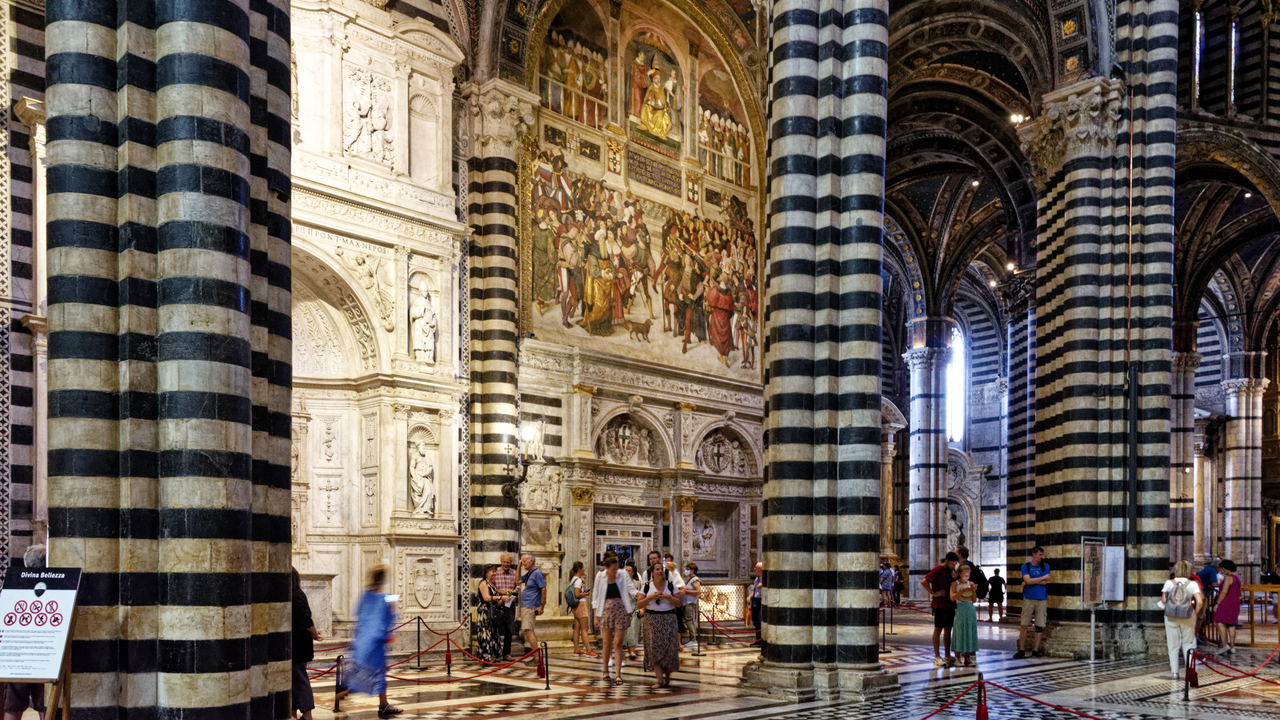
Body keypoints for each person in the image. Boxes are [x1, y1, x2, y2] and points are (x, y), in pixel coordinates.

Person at [335, 566, 400, 717]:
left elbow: (359, 615)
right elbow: (388, 619)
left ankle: (383, 703)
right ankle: (350, 688)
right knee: (375, 673)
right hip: (375, 644)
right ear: (383, 579)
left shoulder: (365, 596)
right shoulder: (385, 598)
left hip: (361, 641)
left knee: (372, 672)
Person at [5, 545, 47, 720]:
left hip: (18, 651)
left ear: (26, 563)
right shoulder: (56, 587)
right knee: (46, 702)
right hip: (46, 651)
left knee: (13, 704)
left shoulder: (13, 588)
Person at [593, 555, 638, 685]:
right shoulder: (600, 577)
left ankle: (618, 674)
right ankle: (606, 670)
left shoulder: (623, 575)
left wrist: (641, 594)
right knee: (607, 643)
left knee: (618, 642)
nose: (615, 571)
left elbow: (631, 589)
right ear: (606, 568)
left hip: (621, 609)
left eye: (616, 568)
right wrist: (596, 615)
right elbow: (595, 596)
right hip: (606, 610)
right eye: (613, 569)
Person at [638, 563, 681, 689]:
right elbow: (639, 603)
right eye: (657, 569)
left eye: (661, 569)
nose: (660, 571)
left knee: (669, 650)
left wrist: (668, 596)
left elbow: (679, 603)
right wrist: (651, 596)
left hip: (669, 619)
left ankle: (667, 676)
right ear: (652, 572)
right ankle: (660, 680)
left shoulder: (671, 586)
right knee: (654, 650)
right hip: (652, 619)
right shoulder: (646, 587)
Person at [1160, 560, 1204, 679]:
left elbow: (1164, 601)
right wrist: (1194, 612)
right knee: (1188, 644)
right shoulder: (1193, 584)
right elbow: (1199, 601)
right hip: (1187, 616)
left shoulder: (1169, 583)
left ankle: (1175, 672)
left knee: (1173, 645)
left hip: (1171, 616)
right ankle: (1190, 671)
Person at [292, 569, 322, 720]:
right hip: (297, 644)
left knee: (300, 680)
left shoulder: (295, 595)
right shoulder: (296, 593)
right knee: (293, 680)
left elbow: (305, 618)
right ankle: (292, 713)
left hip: (298, 645)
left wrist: (314, 632)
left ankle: (307, 714)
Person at [921, 552, 959, 667]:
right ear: (946, 561)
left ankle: (947, 655)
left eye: (955, 564)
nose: (954, 566)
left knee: (948, 630)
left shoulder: (950, 572)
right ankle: (937, 657)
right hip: (939, 605)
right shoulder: (937, 570)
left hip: (950, 604)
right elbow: (924, 582)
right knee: (938, 630)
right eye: (952, 564)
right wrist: (934, 593)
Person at [1013, 546, 1050, 659]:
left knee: (1039, 625)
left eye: (1042, 555)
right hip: (1028, 598)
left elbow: (1046, 581)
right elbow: (1028, 580)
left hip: (1041, 599)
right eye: (1040, 554)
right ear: (1034, 554)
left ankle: (1035, 650)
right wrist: (1040, 578)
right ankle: (1022, 649)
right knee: (1024, 624)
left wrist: (1030, 582)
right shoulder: (1026, 566)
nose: (1042, 557)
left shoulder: (1045, 566)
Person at [491, 553, 520, 660]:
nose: (506, 564)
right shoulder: (496, 572)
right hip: (498, 603)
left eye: (508, 562)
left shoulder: (514, 573)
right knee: (496, 628)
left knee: (509, 629)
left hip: (510, 604)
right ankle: (496, 652)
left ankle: (506, 653)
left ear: (511, 563)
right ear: (501, 561)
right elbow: (492, 588)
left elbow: (518, 586)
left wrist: (514, 592)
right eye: (504, 562)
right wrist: (503, 593)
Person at [950, 563, 979, 667]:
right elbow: (952, 597)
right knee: (960, 631)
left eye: (968, 574)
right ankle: (957, 657)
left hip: (970, 608)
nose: (967, 576)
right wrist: (962, 590)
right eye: (965, 574)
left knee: (969, 631)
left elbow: (974, 600)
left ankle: (967, 657)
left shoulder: (971, 583)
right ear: (960, 574)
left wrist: (973, 591)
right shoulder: (955, 584)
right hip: (961, 608)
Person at [519, 553, 547, 658]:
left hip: (530, 605)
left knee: (528, 631)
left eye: (524, 561)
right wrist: (518, 566)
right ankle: (537, 657)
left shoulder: (537, 573)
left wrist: (542, 605)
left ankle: (537, 658)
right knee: (528, 631)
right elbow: (517, 581)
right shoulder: (530, 573)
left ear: (531, 561)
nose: (523, 563)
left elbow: (543, 589)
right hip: (526, 605)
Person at [568, 561, 598, 657]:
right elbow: (577, 594)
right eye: (583, 568)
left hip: (575, 606)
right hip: (580, 604)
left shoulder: (573, 579)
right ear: (580, 569)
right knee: (585, 628)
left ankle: (576, 649)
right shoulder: (578, 580)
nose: (584, 569)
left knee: (577, 627)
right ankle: (589, 650)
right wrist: (586, 593)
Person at [1213, 559, 1241, 655]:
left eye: (1223, 569)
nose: (1223, 571)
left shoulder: (1228, 578)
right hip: (1235, 603)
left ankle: (1224, 645)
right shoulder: (1237, 578)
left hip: (1226, 604)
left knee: (1219, 622)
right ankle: (1232, 647)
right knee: (1231, 625)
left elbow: (1224, 591)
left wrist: (1217, 603)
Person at [476, 565, 504, 662]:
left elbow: (495, 598)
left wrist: (506, 596)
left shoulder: (493, 584)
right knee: (486, 633)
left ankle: (494, 655)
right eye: (493, 571)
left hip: (493, 612)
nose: (494, 574)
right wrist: (500, 598)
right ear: (487, 572)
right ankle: (486, 655)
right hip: (485, 612)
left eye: (495, 571)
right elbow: (486, 598)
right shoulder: (484, 583)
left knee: (494, 633)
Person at [623, 560, 642, 659]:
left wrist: (642, 608)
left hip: (635, 609)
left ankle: (633, 651)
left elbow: (641, 597)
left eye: (629, 571)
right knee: (626, 631)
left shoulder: (638, 583)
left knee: (633, 630)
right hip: (625, 609)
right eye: (625, 570)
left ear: (633, 572)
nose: (626, 572)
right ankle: (629, 650)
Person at [682, 563, 702, 648]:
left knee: (689, 620)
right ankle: (691, 638)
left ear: (692, 570)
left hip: (690, 603)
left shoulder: (695, 580)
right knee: (687, 620)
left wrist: (686, 591)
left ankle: (693, 639)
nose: (686, 571)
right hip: (686, 602)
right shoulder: (689, 579)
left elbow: (697, 591)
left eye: (688, 569)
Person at [750, 561, 763, 647]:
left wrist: (762, 584)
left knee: (759, 620)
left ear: (760, 569)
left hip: (761, 601)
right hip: (755, 600)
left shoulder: (764, 579)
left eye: (756, 568)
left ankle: (760, 641)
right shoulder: (756, 579)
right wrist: (749, 596)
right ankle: (757, 640)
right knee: (755, 621)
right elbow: (754, 590)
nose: (754, 569)